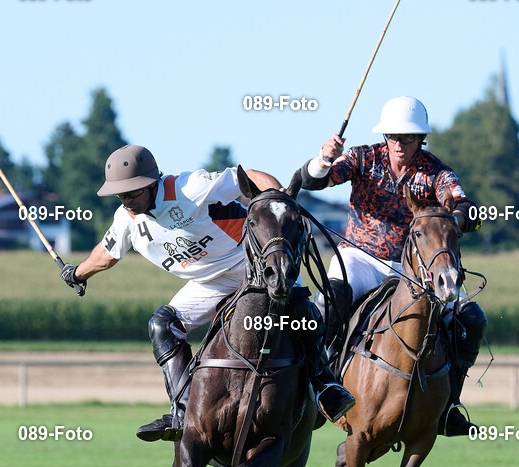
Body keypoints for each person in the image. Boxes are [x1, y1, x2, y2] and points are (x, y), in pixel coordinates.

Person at [59, 144, 355, 442]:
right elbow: (106, 254)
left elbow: (249, 175)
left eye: (132, 193)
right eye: (121, 195)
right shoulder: (126, 219)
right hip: (208, 284)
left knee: (303, 313)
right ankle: (183, 410)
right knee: (162, 325)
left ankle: (325, 385)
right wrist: (77, 273)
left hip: (251, 264)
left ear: (152, 184)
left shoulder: (189, 187)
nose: (127, 201)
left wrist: (278, 198)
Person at [289, 96, 485, 437]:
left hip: (414, 270)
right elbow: (311, 181)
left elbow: (464, 205)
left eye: (407, 138)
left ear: (421, 139)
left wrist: (460, 216)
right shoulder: (364, 158)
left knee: (470, 317)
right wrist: (323, 159)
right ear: (385, 137)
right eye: (393, 137)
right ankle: (322, 382)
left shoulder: (435, 172)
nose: (399, 144)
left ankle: (450, 404)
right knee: (330, 300)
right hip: (360, 257)